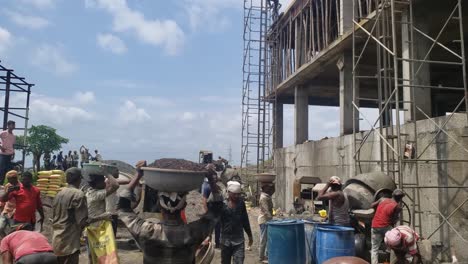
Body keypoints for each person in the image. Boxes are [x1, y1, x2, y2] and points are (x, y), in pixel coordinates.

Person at [117, 161, 223, 263]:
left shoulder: (146, 231)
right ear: (184, 206)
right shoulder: (194, 232)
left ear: (159, 206)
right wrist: (211, 180)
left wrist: (138, 174)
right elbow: (216, 210)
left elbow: (123, 208)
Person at [52, 167, 88, 264]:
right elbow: (82, 222)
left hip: (57, 238)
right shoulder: (78, 194)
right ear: (79, 179)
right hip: (70, 241)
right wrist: (101, 217)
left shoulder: (59, 193)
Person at [219, 181, 253, 264]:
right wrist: (208, 236)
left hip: (239, 241)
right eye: (234, 194)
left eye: (238, 194)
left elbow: (245, 220)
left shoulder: (241, 203)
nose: (237, 196)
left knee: (239, 261)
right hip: (225, 241)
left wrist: (250, 235)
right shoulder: (222, 204)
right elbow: (215, 220)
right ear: (229, 192)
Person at [370, 189, 405, 264]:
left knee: (374, 248)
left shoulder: (382, 199)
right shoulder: (397, 207)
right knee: (395, 238)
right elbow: (394, 220)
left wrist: (378, 209)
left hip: (374, 225)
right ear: (401, 198)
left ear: (392, 195)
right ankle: (389, 250)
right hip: (385, 227)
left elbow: (372, 205)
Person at [201, 177, 221, 248]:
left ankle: (208, 244)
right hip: (217, 210)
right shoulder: (218, 187)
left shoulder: (206, 187)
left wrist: (206, 211)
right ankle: (217, 243)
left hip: (211, 210)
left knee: (210, 229)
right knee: (217, 228)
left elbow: (204, 201)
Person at [258, 183, 275, 263]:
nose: (272, 190)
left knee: (267, 239)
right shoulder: (264, 198)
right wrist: (272, 220)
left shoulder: (266, 196)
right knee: (263, 239)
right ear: (265, 188)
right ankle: (261, 257)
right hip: (264, 220)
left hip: (266, 220)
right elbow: (266, 211)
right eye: (270, 188)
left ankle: (266, 255)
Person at [0, 170, 19, 237]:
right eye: (8, 179)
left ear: (15, 178)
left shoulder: (21, 187)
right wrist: (8, 192)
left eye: (10, 179)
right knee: (0, 228)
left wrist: (14, 211)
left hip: (14, 212)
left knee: (13, 231)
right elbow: (4, 199)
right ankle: (5, 239)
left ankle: (10, 242)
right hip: (6, 210)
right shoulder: (8, 186)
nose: (9, 181)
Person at [0, 120, 16, 185]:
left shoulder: (14, 136)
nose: (14, 126)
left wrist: (13, 153)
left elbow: (13, 145)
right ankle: (0, 184)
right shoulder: (3, 133)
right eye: (12, 125)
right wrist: (1, 147)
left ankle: (7, 184)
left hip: (10, 154)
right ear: (8, 126)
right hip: (3, 154)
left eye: (14, 125)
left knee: (8, 170)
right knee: (2, 169)